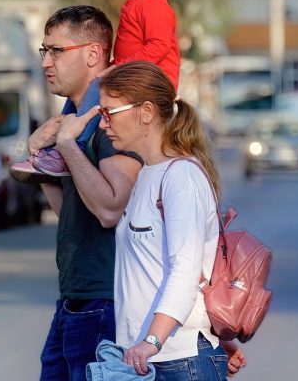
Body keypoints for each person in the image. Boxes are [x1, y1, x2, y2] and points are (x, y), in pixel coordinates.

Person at [62, 61, 247, 380]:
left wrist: (152, 340)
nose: (103, 124)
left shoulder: (181, 177)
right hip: (146, 357)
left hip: (177, 358)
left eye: (109, 112)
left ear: (145, 112)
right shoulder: (147, 174)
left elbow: (185, 269)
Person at [12, 0, 185, 178]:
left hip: (149, 82)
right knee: (78, 94)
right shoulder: (138, 4)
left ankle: (74, 147)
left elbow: (159, 47)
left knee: (96, 89)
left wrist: (118, 68)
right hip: (132, 74)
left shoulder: (154, 6)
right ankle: (55, 148)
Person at [29, 6, 143, 381]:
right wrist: (40, 157)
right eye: (43, 51)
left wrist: (67, 146)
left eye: (56, 51)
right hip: (74, 298)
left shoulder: (110, 117)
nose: (47, 61)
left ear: (93, 53)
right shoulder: (72, 115)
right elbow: (73, 211)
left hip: (107, 300)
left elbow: (111, 208)